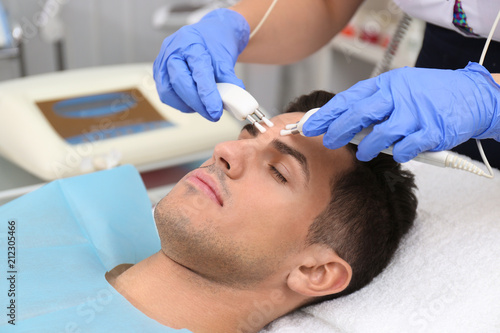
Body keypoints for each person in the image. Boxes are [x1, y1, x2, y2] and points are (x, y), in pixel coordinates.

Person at [103, 90, 417, 332]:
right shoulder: (75, 233)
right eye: (245, 139)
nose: (225, 151)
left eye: (278, 171)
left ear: (314, 272)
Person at [153, 0, 500, 167]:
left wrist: (486, 98)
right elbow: (327, 5)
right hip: (446, 54)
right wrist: (236, 27)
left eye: (280, 174)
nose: (221, 151)